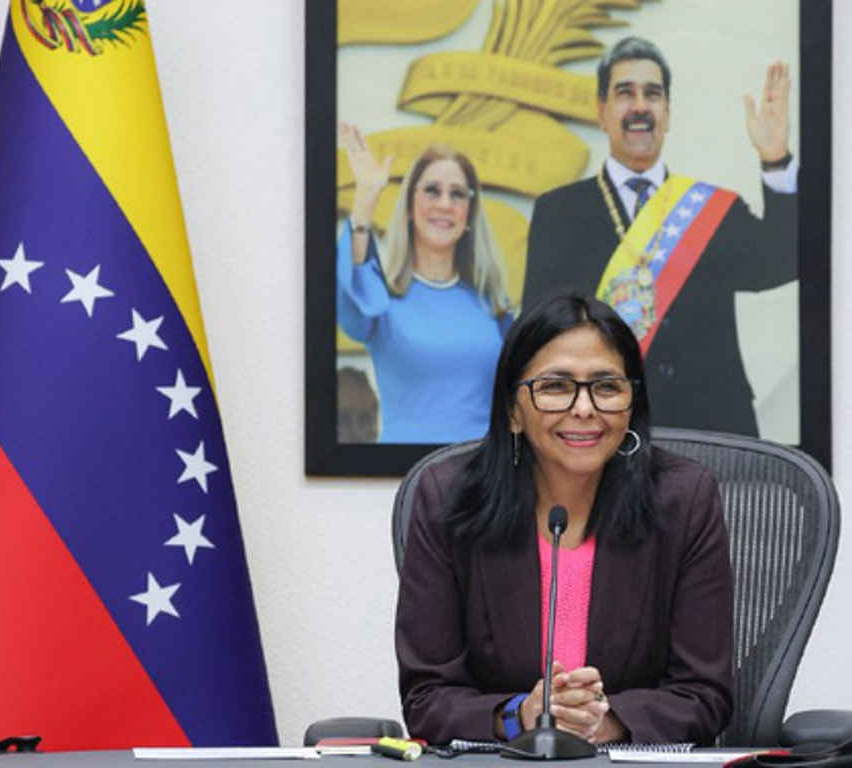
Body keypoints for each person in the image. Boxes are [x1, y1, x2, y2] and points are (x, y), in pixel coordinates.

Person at [395, 294, 733, 745]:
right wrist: (522, 715)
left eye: (606, 387)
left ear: (632, 403)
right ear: (513, 410)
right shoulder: (448, 499)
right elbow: (427, 697)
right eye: (555, 386)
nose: (584, 408)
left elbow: (705, 694)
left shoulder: (683, 501)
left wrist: (604, 722)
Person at [523, 37, 797, 438]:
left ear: (667, 113)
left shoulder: (711, 209)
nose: (640, 106)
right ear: (601, 111)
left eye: (652, 94)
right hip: (601, 431)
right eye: (625, 93)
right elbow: (537, 335)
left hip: (711, 427)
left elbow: (783, 259)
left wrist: (775, 159)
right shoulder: (559, 212)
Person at [337, 122, 512, 443]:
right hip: (406, 469)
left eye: (457, 194)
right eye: (432, 190)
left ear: (469, 214)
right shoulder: (380, 300)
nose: (445, 204)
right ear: (409, 207)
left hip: (483, 469)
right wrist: (365, 199)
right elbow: (352, 295)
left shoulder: (493, 304)